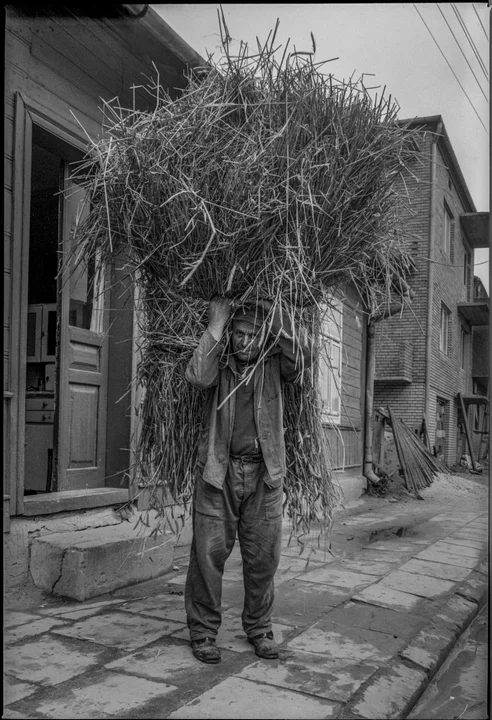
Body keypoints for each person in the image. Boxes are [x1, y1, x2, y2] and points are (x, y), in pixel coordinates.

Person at [184, 295, 313, 664]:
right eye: (238, 333)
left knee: (263, 558)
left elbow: (305, 355)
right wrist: (216, 323)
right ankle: (204, 633)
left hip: (265, 475)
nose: (243, 341)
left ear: (264, 336)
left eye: (251, 334)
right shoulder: (220, 363)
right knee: (208, 556)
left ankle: (259, 630)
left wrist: (277, 322)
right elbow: (196, 376)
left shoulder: (275, 365)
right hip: (217, 473)